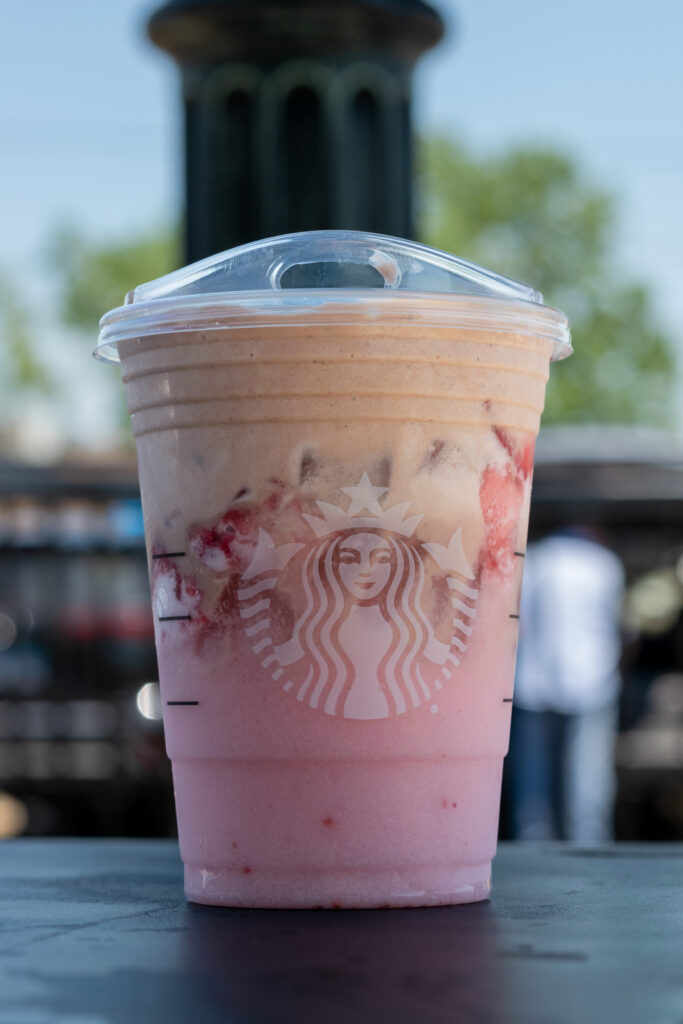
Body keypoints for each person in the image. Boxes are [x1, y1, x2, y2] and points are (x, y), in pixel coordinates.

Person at [508, 527, 625, 842]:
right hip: (592, 679)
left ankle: (532, 845)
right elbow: (618, 625)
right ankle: (590, 848)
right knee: (587, 774)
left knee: (533, 776)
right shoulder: (605, 563)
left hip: (532, 680)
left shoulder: (533, 559)